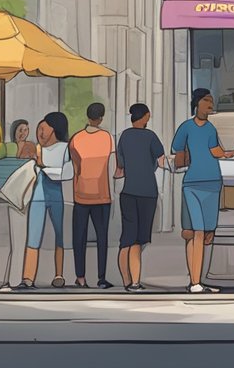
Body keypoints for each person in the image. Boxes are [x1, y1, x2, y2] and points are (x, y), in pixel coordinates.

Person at [173, 88, 234, 294]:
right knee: (195, 232)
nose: (210, 105)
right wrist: (183, 163)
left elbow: (217, 152)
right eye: (207, 101)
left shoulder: (211, 129)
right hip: (193, 184)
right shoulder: (186, 127)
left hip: (213, 183)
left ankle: (197, 280)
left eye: (211, 101)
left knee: (207, 234)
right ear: (197, 103)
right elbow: (178, 153)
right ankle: (195, 282)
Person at [17, 112, 72, 290]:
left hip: (58, 197)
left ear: (54, 129)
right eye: (39, 129)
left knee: (59, 236)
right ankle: (27, 277)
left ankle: (59, 274)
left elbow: (68, 173)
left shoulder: (65, 148)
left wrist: (45, 168)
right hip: (37, 197)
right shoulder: (35, 148)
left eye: (43, 128)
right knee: (33, 236)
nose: (40, 133)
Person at [115, 103, 165, 292]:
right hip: (147, 192)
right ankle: (135, 282)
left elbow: (120, 165)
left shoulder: (125, 136)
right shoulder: (150, 137)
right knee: (138, 240)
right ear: (146, 116)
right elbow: (161, 161)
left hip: (127, 193)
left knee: (126, 239)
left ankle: (127, 280)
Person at [69, 102, 114, 289]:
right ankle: (102, 278)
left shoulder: (76, 139)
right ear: (101, 117)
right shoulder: (107, 137)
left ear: (87, 117)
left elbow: (75, 167)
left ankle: (80, 277)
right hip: (102, 194)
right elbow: (111, 164)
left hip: (81, 194)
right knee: (102, 237)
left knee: (79, 238)